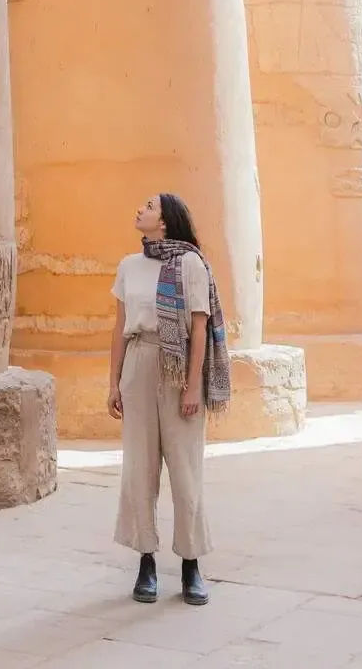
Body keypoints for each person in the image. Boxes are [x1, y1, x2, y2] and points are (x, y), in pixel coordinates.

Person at [108, 192, 231, 605]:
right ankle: (146, 561)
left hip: (178, 370)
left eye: (148, 205)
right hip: (139, 363)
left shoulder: (191, 264)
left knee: (185, 471)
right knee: (139, 469)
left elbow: (200, 328)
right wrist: (113, 383)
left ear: (165, 221)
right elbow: (120, 327)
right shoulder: (129, 265)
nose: (139, 208)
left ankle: (191, 565)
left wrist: (193, 385)